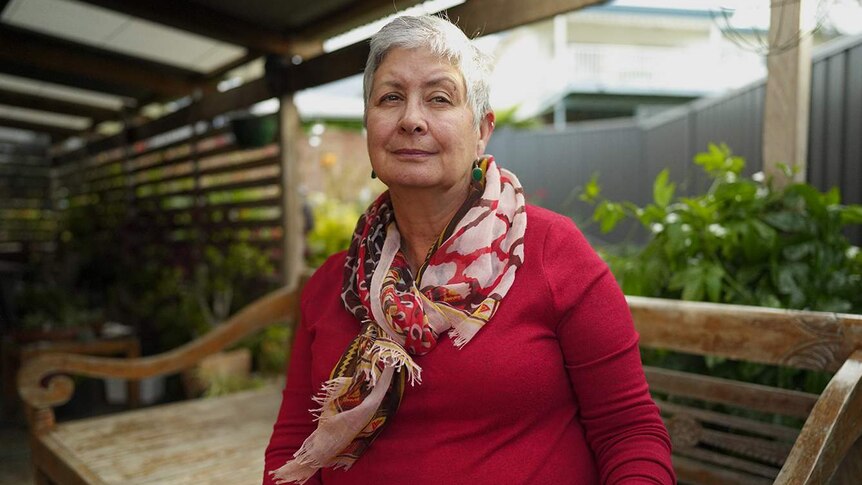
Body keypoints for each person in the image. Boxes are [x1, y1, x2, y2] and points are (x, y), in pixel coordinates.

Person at [264, 14, 675, 485]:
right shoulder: (331, 286)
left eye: (440, 98)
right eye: (390, 98)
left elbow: (629, 432)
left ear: (482, 130)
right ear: (368, 126)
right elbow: (293, 443)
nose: (411, 119)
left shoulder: (551, 253)